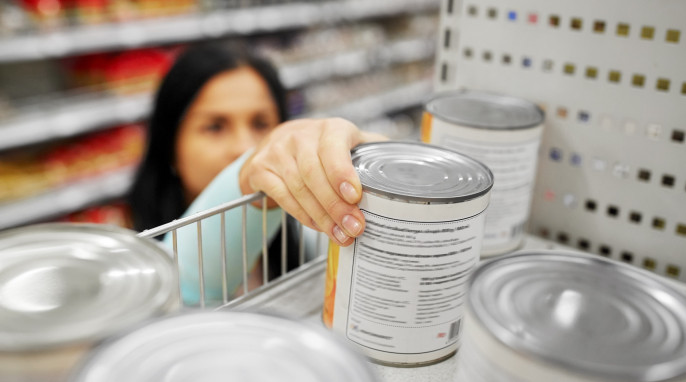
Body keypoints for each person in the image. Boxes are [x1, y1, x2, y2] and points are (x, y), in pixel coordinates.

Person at [129, 44, 384, 305]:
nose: (244, 147)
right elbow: (183, 283)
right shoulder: (131, 266)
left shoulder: (305, 240)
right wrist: (247, 175)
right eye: (215, 127)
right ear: (169, 145)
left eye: (261, 124)